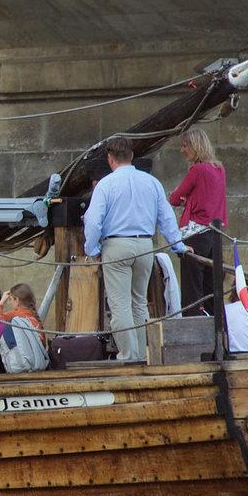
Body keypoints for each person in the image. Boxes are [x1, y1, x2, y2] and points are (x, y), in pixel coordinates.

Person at [83, 135, 188, 362]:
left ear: (110, 159)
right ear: (132, 156)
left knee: (119, 305)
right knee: (139, 302)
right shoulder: (151, 182)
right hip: (144, 244)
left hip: (116, 244)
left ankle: (128, 356)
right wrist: (178, 245)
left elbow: (93, 221)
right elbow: (166, 217)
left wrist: (92, 250)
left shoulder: (105, 184)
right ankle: (142, 354)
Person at [167, 128, 228, 318]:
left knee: (192, 292)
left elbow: (174, 199)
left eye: (185, 146)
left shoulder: (197, 170)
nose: (182, 150)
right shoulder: (219, 169)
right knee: (213, 292)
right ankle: (220, 338)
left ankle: (192, 338)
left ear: (196, 146)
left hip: (194, 235)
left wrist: (186, 197)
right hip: (213, 236)